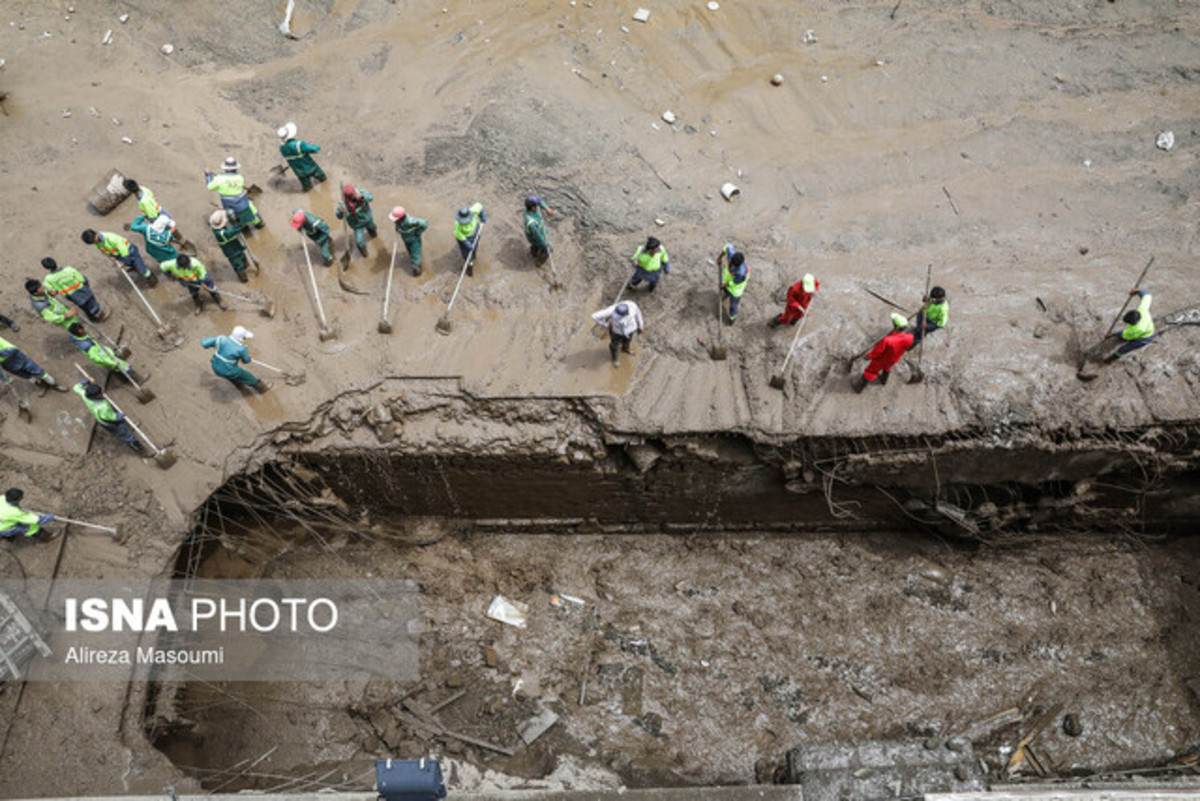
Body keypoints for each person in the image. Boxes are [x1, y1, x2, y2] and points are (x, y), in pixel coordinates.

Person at [73, 379, 145, 454]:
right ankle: (135, 445)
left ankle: (129, 432)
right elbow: (113, 417)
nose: (102, 393)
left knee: (116, 415)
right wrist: (121, 416)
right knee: (123, 431)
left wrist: (87, 380)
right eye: (100, 393)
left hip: (102, 416)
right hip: (110, 422)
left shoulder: (84, 394)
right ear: (94, 396)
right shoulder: (103, 407)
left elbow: (76, 387)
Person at [852, 314, 915, 393]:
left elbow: (877, 352)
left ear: (896, 327)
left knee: (870, 371)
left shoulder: (887, 340)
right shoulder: (910, 337)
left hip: (882, 360)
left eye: (893, 324)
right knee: (887, 367)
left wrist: (868, 356)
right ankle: (883, 380)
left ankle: (859, 387)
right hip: (894, 359)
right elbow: (908, 347)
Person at [67, 322, 147, 382]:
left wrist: (93, 338)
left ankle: (126, 375)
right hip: (106, 359)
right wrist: (113, 363)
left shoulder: (76, 337)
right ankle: (138, 379)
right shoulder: (88, 347)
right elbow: (97, 359)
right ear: (80, 332)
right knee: (125, 367)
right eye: (83, 330)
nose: (85, 331)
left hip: (105, 354)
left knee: (120, 367)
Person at [201, 326, 269, 392]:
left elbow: (204, 343)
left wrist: (205, 339)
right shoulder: (241, 349)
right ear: (241, 338)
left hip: (215, 365)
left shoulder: (221, 339)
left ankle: (238, 385)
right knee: (247, 376)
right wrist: (248, 358)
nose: (245, 338)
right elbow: (246, 361)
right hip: (228, 370)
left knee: (231, 375)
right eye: (244, 337)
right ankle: (262, 388)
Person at [204, 157, 264, 233]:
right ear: (236, 169)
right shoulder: (240, 178)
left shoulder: (218, 179)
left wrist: (208, 175)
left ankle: (241, 228)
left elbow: (210, 187)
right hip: (244, 205)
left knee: (235, 221)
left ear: (224, 168)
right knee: (252, 213)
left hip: (230, 208)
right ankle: (259, 224)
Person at [81, 229, 157, 287]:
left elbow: (125, 252)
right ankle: (134, 266)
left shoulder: (111, 238)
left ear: (96, 235)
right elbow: (104, 250)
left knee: (142, 270)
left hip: (130, 252)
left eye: (94, 241)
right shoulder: (98, 242)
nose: (95, 243)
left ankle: (152, 279)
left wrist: (122, 263)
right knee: (130, 264)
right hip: (118, 255)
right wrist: (111, 257)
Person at [123, 178, 187, 245]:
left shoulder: (144, 201)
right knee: (169, 224)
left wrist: (150, 220)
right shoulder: (143, 189)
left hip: (156, 215)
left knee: (164, 228)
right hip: (158, 208)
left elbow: (153, 214)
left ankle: (178, 239)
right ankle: (179, 238)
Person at [41, 257, 107, 322]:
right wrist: (87, 286)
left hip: (72, 296)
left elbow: (50, 291)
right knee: (91, 300)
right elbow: (83, 279)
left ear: (46, 268)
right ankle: (98, 313)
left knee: (83, 305)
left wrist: (53, 292)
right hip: (82, 289)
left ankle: (91, 316)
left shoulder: (48, 279)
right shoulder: (68, 269)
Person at [160, 254, 225, 314]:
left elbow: (202, 273)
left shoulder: (195, 263)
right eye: (183, 267)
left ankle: (219, 300)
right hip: (189, 281)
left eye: (187, 266)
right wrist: (169, 275)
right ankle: (199, 305)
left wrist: (203, 283)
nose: (185, 268)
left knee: (211, 288)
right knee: (193, 293)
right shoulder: (170, 264)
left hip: (201, 278)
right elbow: (162, 266)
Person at [1105, 288, 1155, 364]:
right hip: (1148, 327)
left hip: (1145, 337)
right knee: (1125, 337)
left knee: (1124, 349)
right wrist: (1138, 291)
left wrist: (1112, 335)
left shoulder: (1136, 330)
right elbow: (1147, 296)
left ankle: (1112, 358)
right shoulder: (1142, 309)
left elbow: (1124, 335)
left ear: (1133, 323)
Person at [591, 301, 645, 367]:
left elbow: (638, 314)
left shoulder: (632, 306)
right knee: (614, 346)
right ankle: (615, 359)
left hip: (630, 330)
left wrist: (641, 325)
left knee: (628, 341)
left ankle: (626, 349)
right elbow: (594, 316)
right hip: (616, 333)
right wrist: (605, 324)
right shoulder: (611, 310)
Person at [277, 122, 326, 190]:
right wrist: (318, 147)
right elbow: (313, 149)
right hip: (311, 167)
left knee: (307, 188)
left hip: (299, 172)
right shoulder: (298, 144)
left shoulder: (281, 148)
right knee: (322, 178)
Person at [335, 184, 378, 257]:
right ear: (347, 197)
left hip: (367, 218)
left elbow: (371, 197)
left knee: (373, 228)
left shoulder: (360, 192)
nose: (354, 195)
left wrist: (363, 197)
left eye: (354, 193)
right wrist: (341, 212)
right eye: (352, 195)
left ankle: (374, 236)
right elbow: (339, 216)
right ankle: (365, 254)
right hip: (357, 225)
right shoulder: (343, 204)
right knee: (359, 241)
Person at [209, 210, 251, 283]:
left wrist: (230, 214)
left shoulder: (215, 228)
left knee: (243, 256)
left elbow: (227, 212)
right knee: (238, 265)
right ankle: (244, 279)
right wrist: (235, 220)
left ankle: (246, 265)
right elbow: (237, 228)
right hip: (232, 253)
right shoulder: (224, 233)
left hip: (236, 246)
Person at [389, 206, 429, 276]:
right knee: (410, 251)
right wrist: (398, 229)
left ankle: (417, 271)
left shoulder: (410, 221)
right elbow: (397, 225)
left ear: (400, 218)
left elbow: (425, 223)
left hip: (414, 240)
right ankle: (414, 260)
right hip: (406, 239)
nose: (394, 220)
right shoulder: (398, 221)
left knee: (416, 257)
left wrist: (418, 232)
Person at [716, 243, 749, 325]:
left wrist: (724, 285)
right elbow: (727, 247)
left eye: (734, 266)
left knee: (733, 305)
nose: (732, 266)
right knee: (725, 290)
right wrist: (720, 257)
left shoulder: (741, 273)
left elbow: (733, 283)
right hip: (728, 279)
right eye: (732, 264)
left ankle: (732, 318)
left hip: (736, 289)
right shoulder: (731, 254)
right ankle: (726, 294)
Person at [453, 203, 487, 275]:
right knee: (467, 254)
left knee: (475, 247)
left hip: (475, 232)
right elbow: (458, 234)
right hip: (465, 238)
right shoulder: (457, 225)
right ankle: (469, 266)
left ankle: (474, 254)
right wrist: (466, 243)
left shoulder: (472, 211)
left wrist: (482, 216)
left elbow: (479, 206)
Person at [523, 195, 554, 263]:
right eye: (536, 205)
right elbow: (538, 237)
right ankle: (540, 262)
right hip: (534, 237)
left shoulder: (528, 208)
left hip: (536, 231)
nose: (538, 205)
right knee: (549, 248)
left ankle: (534, 252)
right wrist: (545, 244)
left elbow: (539, 201)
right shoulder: (531, 224)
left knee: (536, 247)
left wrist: (546, 208)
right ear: (533, 208)